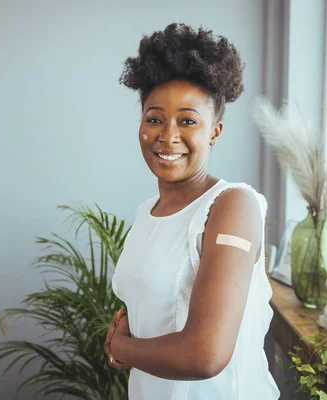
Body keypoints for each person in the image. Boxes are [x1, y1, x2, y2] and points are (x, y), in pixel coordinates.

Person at [104, 23, 280, 399]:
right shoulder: (146, 211)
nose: (167, 136)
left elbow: (206, 354)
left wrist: (120, 348)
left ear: (214, 131)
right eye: (154, 118)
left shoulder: (232, 206)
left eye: (188, 121)